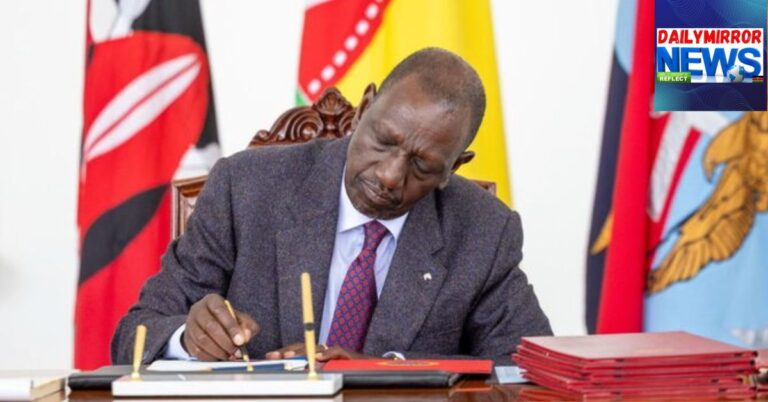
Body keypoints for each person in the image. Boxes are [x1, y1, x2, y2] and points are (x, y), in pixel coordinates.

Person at [112, 47, 551, 365]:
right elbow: (135, 334)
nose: (389, 176)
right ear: (363, 111)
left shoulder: (483, 231)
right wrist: (188, 339)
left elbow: (524, 366)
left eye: (422, 165)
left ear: (453, 168)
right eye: (384, 142)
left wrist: (381, 370)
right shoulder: (245, 189)